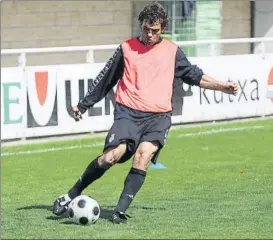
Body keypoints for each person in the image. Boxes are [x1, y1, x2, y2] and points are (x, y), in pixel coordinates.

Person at [52, 2, 238, 224]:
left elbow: (195, 75)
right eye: (146, 29)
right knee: (110, 157)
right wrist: (83, 105)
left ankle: (119, 211)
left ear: (163, 29)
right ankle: (72, 194)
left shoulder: (172, 52)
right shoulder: (126, 49)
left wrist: (222, 86)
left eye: (155, 31)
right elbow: (105, 80)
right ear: (140, 25)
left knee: (143, 156)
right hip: (128, 113)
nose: (150, 35)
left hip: (158, 118)